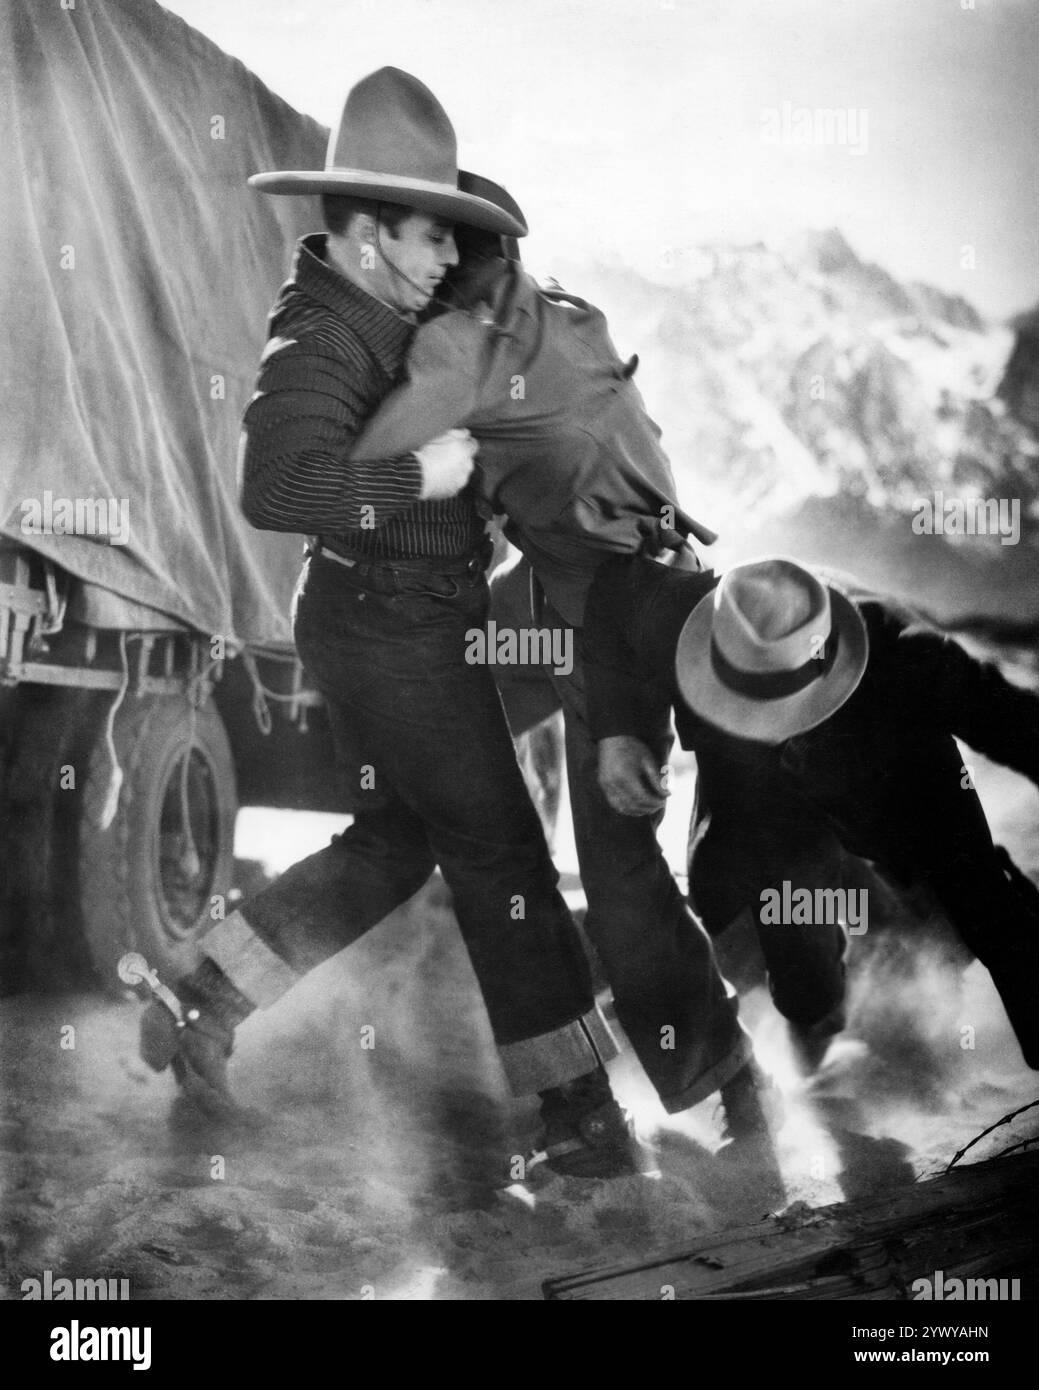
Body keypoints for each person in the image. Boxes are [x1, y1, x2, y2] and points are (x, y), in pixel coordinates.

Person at [138, 67, 633, 1180]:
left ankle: (203, 993)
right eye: (427, 238)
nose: (447, 260)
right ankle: (580, 1119)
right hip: (389, 629)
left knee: (394, 845)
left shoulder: (377, 316)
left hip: (393, 616)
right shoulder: (319, 337)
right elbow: (275, 487)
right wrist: (415, 475)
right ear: (366, 231)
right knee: (501, 847)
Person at [347, 205, 779, 1149]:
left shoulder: (463, 346)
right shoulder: (570, 314)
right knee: (449, 747)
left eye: (431, 253)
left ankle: (727, 1070)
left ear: (454, 265)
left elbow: (362, 462)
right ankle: (471, 992)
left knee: (619, 872)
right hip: (582, 585)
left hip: (613, 619)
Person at [582, 551, 1039, 1072]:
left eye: (789, 703)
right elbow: (610, 593)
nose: (777, 722)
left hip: (892, 789)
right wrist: (615, 734)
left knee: (987, 915)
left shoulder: (912, 659)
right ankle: (819, 1008)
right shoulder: (673, 613)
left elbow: (1021, 729)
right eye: (755, 702)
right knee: (794, 967)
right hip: (764, 806)